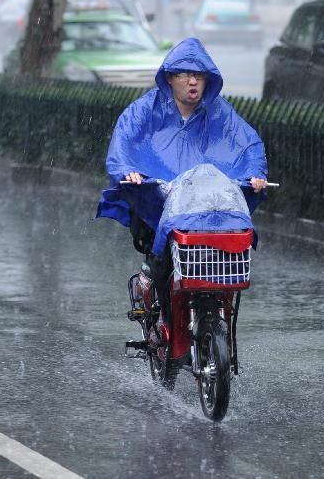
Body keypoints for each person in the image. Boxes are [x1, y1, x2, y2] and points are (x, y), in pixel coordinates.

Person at [96, 37, 268, 347]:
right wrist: (127, 172)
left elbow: (248, 144)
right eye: (185, 74)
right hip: (157, 204)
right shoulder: (144, 111)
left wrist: (255, 175)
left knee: (220, 264)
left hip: (203, 209)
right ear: (169, 78)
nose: (192, 81)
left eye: (199, 75)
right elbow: (122, 142)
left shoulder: (220, 113)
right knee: (162, 264)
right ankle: (160, 313)